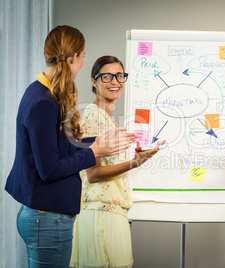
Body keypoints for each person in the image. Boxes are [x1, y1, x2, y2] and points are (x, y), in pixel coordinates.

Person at [4, 26, 136, 268]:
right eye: (83, 55)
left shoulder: (42, 92)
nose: (84, 61)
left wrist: (95, 143)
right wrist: (94, 152)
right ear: (74, 57)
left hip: (45, 218)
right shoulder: (43, 102)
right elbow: (50, 170)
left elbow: (55, 148)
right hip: (47, 219)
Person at [70, 55, 165, 268]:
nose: (115, 82)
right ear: (94, 81)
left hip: (110, 212)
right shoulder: (94, 117)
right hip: (101, 214)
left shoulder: (107, 119)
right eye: (107, 76)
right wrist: (134, 162)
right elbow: (93, 175)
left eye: (120, 75)